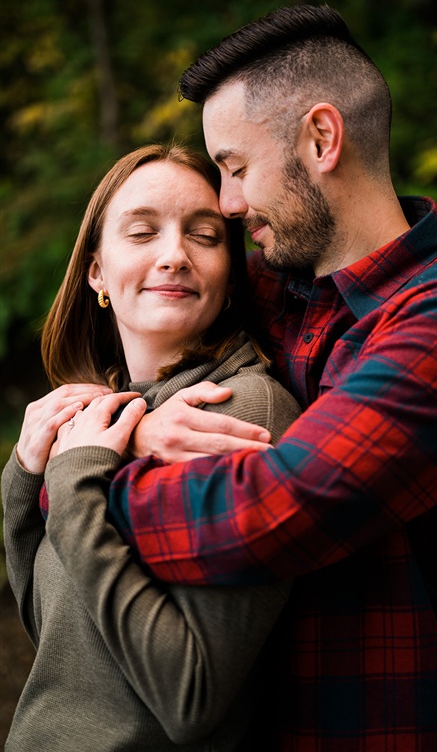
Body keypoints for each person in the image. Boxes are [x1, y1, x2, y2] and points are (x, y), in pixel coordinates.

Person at [104, 6, 437, 751]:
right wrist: (131, 423)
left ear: (322, 139)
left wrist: (87, 475)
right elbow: (146, 349)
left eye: (235, 167)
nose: (228, 204)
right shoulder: (272, 287)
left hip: (384, 729)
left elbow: (274, 511)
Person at [1, 143, 301, 751]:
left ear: (229, 270)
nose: (174, 256)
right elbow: (61, 641)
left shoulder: (235, 414)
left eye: (206, 236)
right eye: (142, 233)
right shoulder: (103, 416)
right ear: (96, 272)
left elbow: (190, 698)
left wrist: (76, 482)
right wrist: (24, 478)